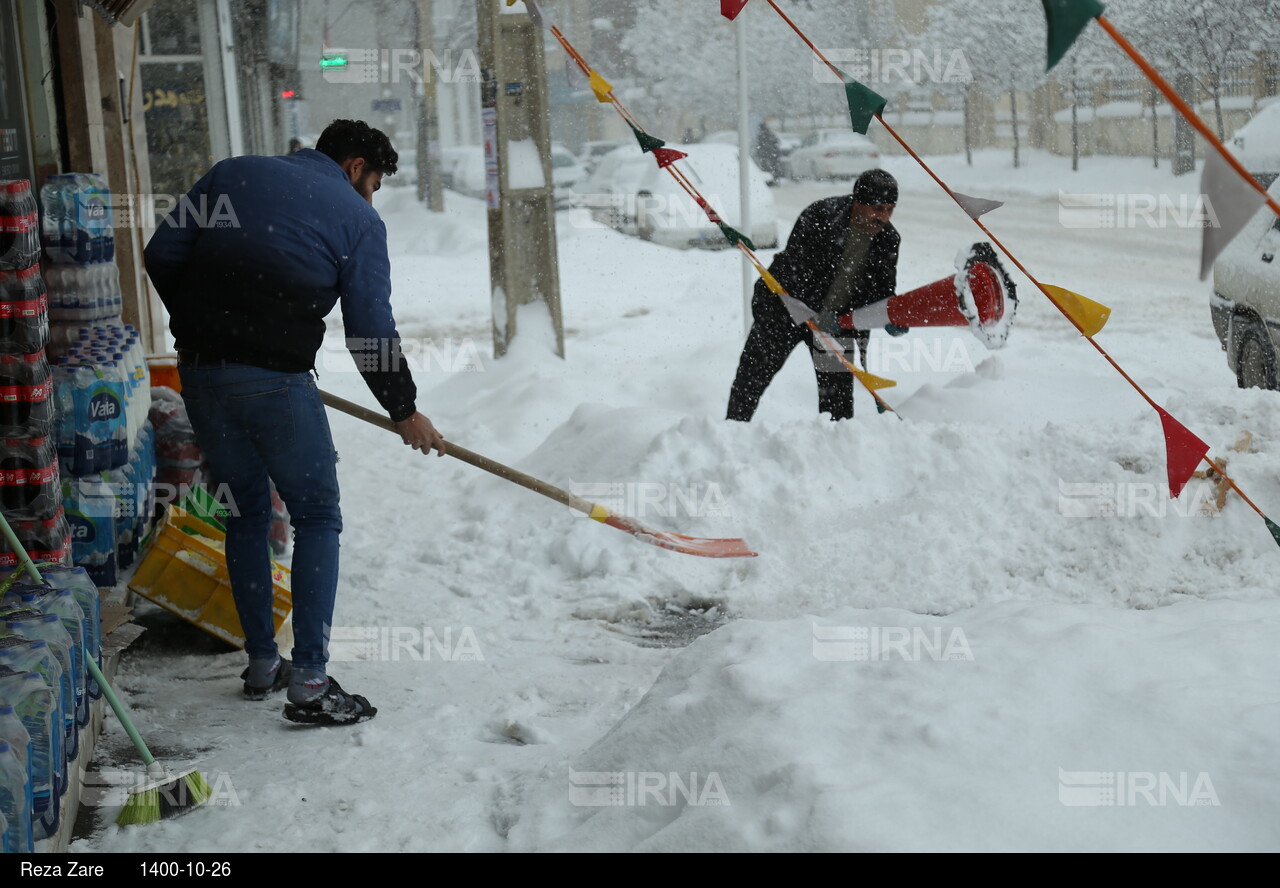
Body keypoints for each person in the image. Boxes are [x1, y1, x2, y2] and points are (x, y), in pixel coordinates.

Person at [144, 119, 447, 725]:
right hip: (276, 382)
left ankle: (262, 663)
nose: (369, 198)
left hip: (201, 374)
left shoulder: (233, 173)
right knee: (316, 515)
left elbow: (161, 253)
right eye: (374, 184)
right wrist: (404, 409)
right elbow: (370, 330)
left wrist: (209, 327)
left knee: (246, 510)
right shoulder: (357, 219)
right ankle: (308, 678)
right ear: (357, 166)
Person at [726, 168, 903, 422]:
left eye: (889, 209)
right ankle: (730, 433)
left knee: (838, 401)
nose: (883, 217)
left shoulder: (888, 239)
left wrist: (890, 314)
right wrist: (821, 313)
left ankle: (831, 449)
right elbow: (797, 274)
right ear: (858, 202)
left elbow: (881, 289)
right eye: (876, 208)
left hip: (837, 325)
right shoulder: (820, 216)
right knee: (751, 378)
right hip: (785, 309)